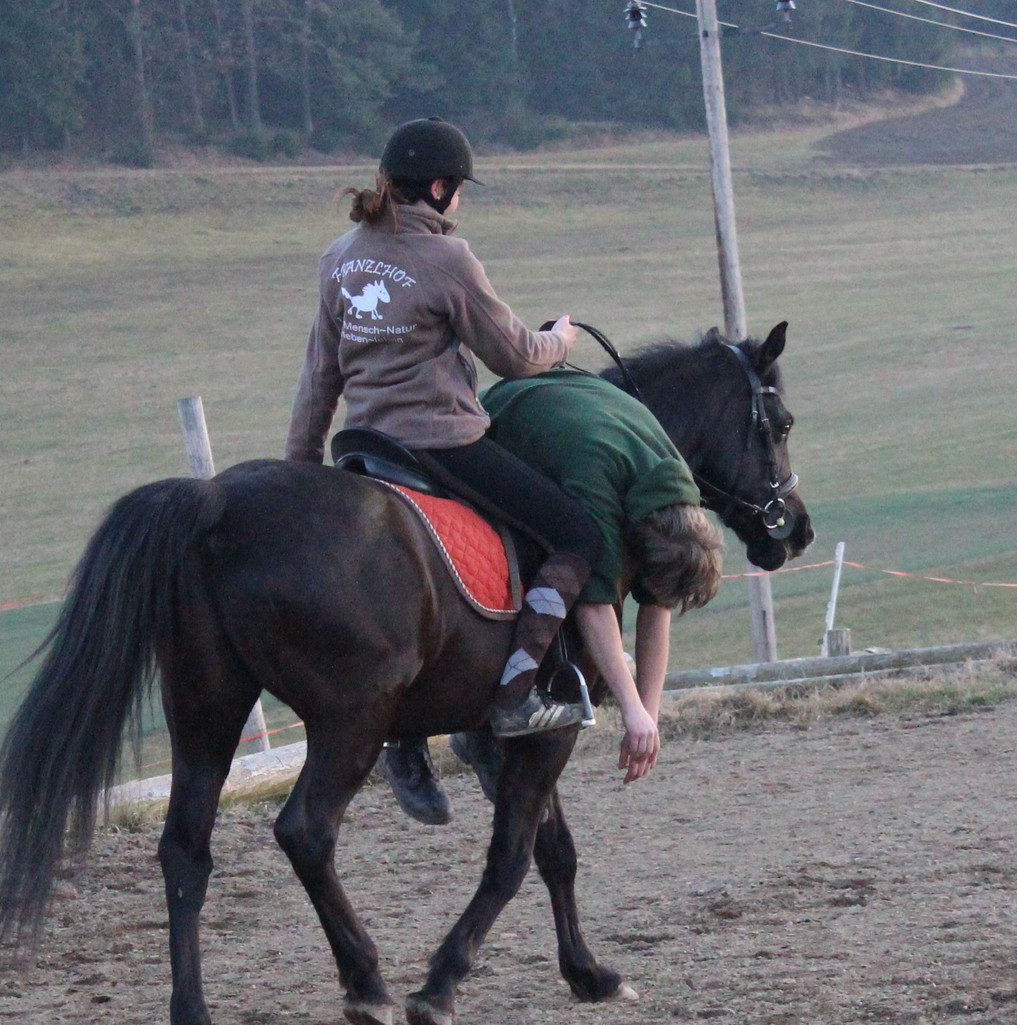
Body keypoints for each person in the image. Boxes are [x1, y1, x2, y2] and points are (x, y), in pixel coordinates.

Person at [287, 117, 601, 743]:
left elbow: (320, 377)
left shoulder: (339, 257)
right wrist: (561, 340)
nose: (460, 197)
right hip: (439, 444)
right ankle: (519, 694)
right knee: (576, 533)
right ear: (438, 188)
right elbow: (513, 355)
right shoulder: (447, 258)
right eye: (458, 187)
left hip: (363, 445)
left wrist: (299, 471)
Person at [394, 368, 726, 819]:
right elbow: (593, 606)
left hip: (571, 407)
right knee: (568, 557)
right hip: (500, 420)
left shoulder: (676, 493)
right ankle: (412, 734)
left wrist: (649, 716)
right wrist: (630, 710)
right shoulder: (599, 492)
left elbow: (656, 610)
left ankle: (479, 734)